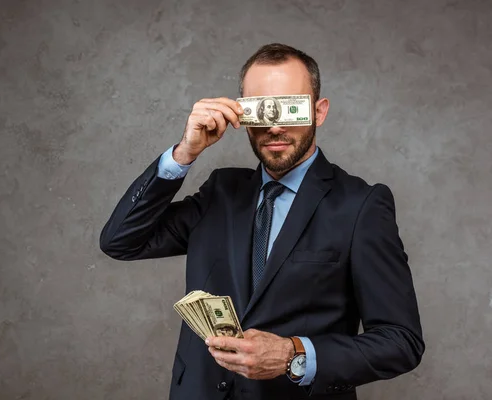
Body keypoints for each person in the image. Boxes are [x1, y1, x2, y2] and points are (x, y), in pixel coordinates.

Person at [99, 43, 424, 400]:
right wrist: (183, 153)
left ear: (319, 111)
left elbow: (401, 341)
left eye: (290, 107)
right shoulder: (220, 193)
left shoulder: (361, 205)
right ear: (241, 114)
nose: (275, 126)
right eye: (261, 110)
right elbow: (121, 241)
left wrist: (293, 354)